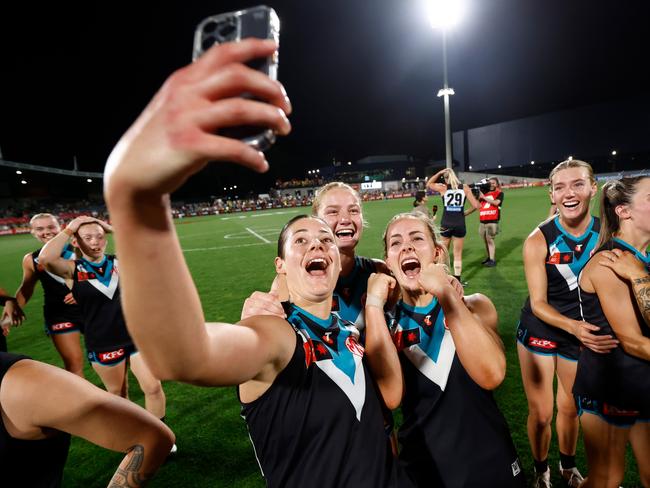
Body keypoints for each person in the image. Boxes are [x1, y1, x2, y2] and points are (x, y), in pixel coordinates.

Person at [103, 38, 409, 487]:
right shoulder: (275, 333)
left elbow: (390, 396)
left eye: (323, 237)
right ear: (281, 266)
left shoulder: (347, 334)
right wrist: (139, 201)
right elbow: (184, 355)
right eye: (301, 240)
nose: (318, 243)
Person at [365, 211, 525, 487]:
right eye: (396, 243)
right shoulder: (383, 326)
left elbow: (491, 375)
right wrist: (373, 305)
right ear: (389, 262)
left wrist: (448, 296)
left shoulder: (475, 305)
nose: (407, 247)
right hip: (426, 468)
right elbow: (390, 398)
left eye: (417, 238)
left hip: (491, 459)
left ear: (438, 253)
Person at [516, 159, 618, 488]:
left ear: (593, 188)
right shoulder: (538, 240)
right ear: (551, 195)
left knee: (570, 408)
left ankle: (567, 467)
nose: (568, 193)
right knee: (543, 412)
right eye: (559, 187)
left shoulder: (608, 234)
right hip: (542, 328)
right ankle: (541, 469)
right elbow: (539, 303)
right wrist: (576, 328)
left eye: (576, 184)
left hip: (580, 332)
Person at [38, 216, 168, 424]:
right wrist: (69, 229)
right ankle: (132, 438)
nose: (94, 242)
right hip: (103, 340)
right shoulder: (72, 269)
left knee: (153, 387)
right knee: (119, 395)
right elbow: (45, 259)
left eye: (99, 237)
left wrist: (109, 227)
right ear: (75, 242)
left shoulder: (121, 261)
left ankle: (160, 437)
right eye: (87, 237)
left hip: (137, 336)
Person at [573, 176, 650, 487]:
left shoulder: (639, 260)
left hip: (641, 380)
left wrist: (638, 277)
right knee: (607, 478)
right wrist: (636, 277)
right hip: (610, 387)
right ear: (624, 211)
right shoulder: (609, 262)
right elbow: (632, 342)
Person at [0, 350, 174, 487]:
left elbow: (151, 436)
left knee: (148, 388)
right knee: (118, 392)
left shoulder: (22, 385)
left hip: (120, 334)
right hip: (102, 336)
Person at [9, 213, 86, 376]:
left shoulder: (81, 246)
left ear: (60, 227)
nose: (46, 231)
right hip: (59, 314)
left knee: (114, 356)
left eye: (51, 227)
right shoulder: (31, 259)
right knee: (73, 365)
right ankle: (82, 401)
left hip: (92, 309)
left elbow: (108, 274)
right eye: (40, 228)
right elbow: (26, 288)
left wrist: (82, 290)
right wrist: (11, 312)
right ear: (32, 232)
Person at [426, 167, 480, 285]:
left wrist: (439, 172)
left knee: (443, 252)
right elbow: (476, 205)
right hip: (459, 222)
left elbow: (429, 183)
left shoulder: (443, 188)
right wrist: (465, 213)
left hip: (446, 222)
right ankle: (457, 280)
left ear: (445, 179)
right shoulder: (465, 188)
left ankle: (442, 278)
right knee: (457, 254)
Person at [477, 177, 504, 267]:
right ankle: (489, 258)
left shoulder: (499, 193)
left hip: (492, 220)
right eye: (490, 183)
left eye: (493, 183)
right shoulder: (484, 192)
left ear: (497, 184)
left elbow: (496, 203)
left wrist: (483, 197)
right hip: (482, 220)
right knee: (485, 240)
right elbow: (477, 204)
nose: (491, 184)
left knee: (490, 240)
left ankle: (492, 260)